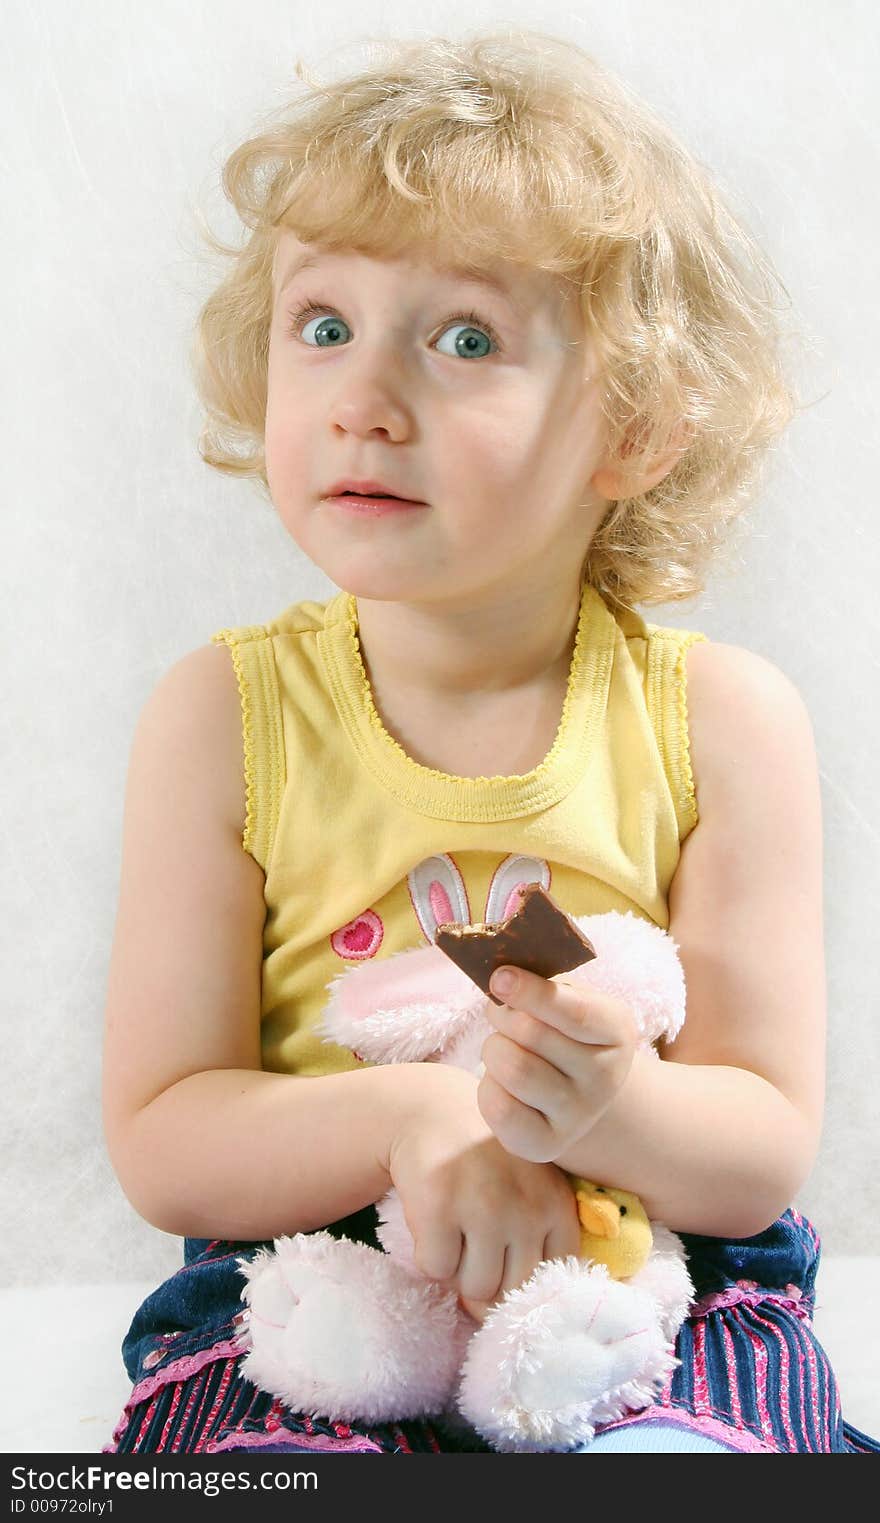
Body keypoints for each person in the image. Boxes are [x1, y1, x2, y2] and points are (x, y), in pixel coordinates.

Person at [100, 30, 880, 1456]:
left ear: (635, 425)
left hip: (642, 1260)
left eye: (463, 340)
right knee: (241, 1462)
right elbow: (168, 1137)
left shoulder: (721, 720)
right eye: (322, 324)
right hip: (305, 1260)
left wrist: (617, 1103)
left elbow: (760, 1146)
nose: (363, 397)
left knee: (718, 1445)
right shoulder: (222, 716)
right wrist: (415, 1120)